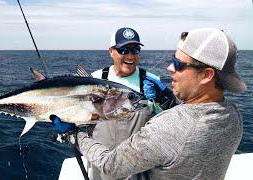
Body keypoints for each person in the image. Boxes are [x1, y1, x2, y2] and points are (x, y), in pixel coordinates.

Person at [68, 28, 246, 179]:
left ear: (207, 75)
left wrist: (75, 135)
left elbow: (112, 165)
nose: (169, 68)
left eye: (178, 64)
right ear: (111, 52)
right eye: (123, 50)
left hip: (121, 164)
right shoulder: (234, 117)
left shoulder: (166, 124)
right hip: (120, 156)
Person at [85, 27, 177, 180]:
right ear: (111, 52)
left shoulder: (151, 81)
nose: (130, 56)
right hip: (100, 162)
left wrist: (166, 100)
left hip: (138, 167)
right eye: (123, 50)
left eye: (135, 50)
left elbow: (174, 119)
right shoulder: (95, 78)